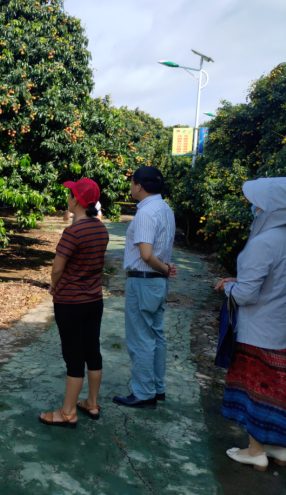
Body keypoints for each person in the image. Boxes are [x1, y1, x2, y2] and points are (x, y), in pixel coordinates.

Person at [216, 177, 286, 471]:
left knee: (253, 389)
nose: (253, 209)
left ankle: (255, 450)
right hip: (279, 328)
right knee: (276, 389)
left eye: (257, 204)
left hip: (256, 330)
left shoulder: (264, 243)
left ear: (270, 208)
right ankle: (279, 447)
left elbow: (246, 294)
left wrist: (227, 287)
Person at [39, 178, 109, 427]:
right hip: (94, 299)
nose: (67, 198)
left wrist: (55, 284)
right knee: (93, 351)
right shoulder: (101, 228)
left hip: (70, 302)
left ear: (77, 201)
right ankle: (92, 402)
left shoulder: (73, 231)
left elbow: (57, 268)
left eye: (70, 195)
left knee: (74, 356)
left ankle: (67, 411)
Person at [113, 166, 177, 410]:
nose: (130, 187)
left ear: (139, 186)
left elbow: (146, 254)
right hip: (157, 283)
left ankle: (143, 393)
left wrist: (162, 268)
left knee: (141, 338)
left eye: (132, 183)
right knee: (156, 335)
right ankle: (157, 388)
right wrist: (165, 269)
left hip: (143, 280)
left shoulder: (146, 213)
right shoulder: (165, 209)